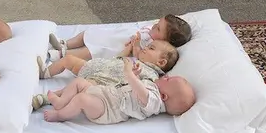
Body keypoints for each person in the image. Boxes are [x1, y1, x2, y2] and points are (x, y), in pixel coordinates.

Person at [36, 58, 195, 125]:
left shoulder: (155, 102)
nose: (166, 77)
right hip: (107, 94)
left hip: (108, 109)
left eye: (168, 80)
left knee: (81, 99)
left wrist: (129, 74)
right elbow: (136, 87)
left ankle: (60, 115)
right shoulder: (153, 88)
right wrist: (136, 76)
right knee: (78, 83)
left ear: (164, 96)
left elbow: (142, 94)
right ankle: (61, 102)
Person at [48, 14, 192, 62]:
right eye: (157, 23)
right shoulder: (151, 31)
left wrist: (135, 46)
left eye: (158, 29)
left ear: (164, 41)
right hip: (115, 35)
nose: (154, 26)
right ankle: (66, 43)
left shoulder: (153, 47)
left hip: (118, 46)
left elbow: (138, 56)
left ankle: (61, 54)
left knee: (91, 51)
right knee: (88, 33)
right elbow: (146, 28)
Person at [37, 39, 178, 84]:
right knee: (68, 60)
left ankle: (48, 99)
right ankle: (45, 73)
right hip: (93, 67)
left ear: (161, 62)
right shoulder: (134, 59)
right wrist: (130, 48)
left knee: (77, 88)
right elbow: (118, 57)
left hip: (103, 81)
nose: (145, 48)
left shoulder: (151, 75)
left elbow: (142, 89)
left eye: (151, 48)